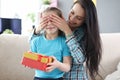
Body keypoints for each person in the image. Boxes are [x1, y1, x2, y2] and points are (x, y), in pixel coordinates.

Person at [32, 0, 102, 80]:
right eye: (72, 12)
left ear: (85, 20)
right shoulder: (57, 26)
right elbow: (34, 42)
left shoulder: (84, 34)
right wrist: (38, 29)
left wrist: (67, 31)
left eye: (79, 18)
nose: (72, 19)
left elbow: (80, 59)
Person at [30, 7, 71, 80]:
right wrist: (30, 61)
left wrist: (57, 64)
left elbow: (67, 67)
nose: (49, 23)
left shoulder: (64, 42)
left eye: (53, 20)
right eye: (45, 21)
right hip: (38, 78)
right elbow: (32, 64)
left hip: (58, 78)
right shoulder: (35, 41)